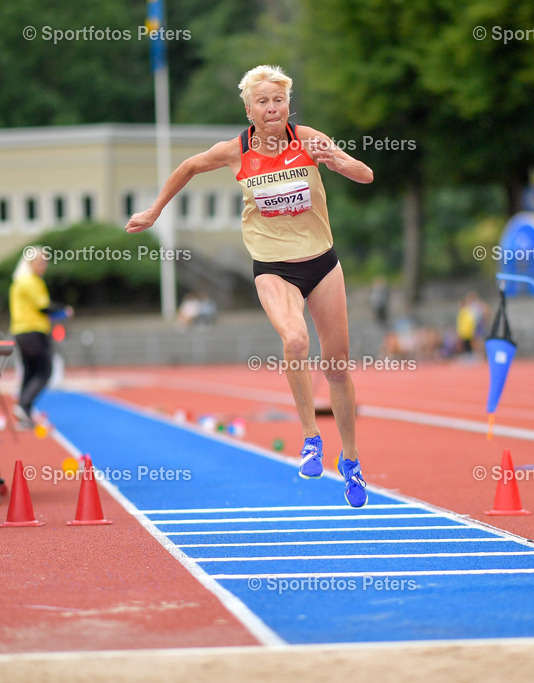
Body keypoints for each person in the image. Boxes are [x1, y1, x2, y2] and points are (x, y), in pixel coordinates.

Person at [126, 64, 374, 507]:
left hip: (322, 262)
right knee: (295, 340)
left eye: (278, 100)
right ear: (249, 109)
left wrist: (339, 160)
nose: (272, 107)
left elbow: (366, 175)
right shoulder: (234, 151)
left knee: (337, 366)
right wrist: (154, 211)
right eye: (263, 101)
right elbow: (188, 167)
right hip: (274, 267)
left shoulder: (308, 139)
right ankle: (311, 438)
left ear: (288, 105)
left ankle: (351, 461)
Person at [9, 248, 72, 428]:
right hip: (33, 331)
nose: (44, 266)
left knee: (30, 371)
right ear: (30, 263)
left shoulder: (19, 281)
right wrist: (64, 310)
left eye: (45, 262)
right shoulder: (30, 281)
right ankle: (24, 404)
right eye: (40, 262)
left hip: (21, 330)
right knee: (44, 371)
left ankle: (24, 411)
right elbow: (43, 307)